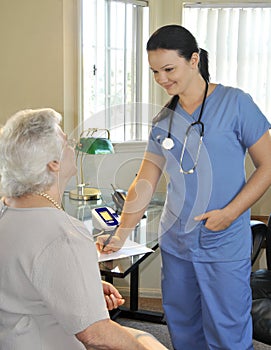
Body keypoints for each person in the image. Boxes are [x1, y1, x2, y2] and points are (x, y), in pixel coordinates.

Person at [96, 25, 271, 349]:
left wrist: (231, 214)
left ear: (193, 60)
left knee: (227, 331)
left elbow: (268, 165)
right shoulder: (163, 120)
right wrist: (121, 231)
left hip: (223, 240)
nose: (162, 79)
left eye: (169, 69)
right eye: (155, 72)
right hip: (176, 243)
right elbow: (146, 179)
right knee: (183, 328)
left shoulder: (236, 103)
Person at [0, 108, 168, 350]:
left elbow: (19, 278)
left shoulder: (6, 210)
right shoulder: (65, 234)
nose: (72, 148)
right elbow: (95, 334)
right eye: (66, 142)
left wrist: (84, 286)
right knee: (147, 341)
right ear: (54, 163)